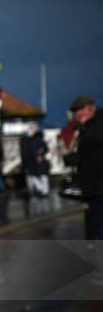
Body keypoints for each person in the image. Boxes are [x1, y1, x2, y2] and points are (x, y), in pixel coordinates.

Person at [70, 95, 103, 240]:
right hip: (91, 190)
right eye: (76, 110)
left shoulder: (98, 125)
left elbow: (93, 152)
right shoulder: (85, 128)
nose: (79, 113)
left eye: (82, 108)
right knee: (93, 233)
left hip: (99, 188)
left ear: (92, 107)